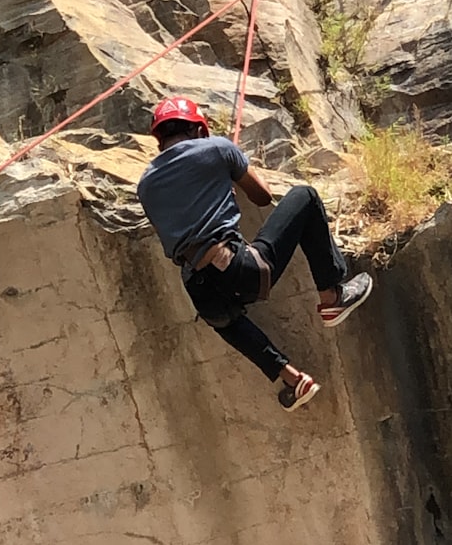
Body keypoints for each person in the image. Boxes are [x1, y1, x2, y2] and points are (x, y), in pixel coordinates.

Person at [137, 96, 372, 411]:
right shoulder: (218, 148)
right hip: (236, 266)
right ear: (197, 130)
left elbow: (178, 224)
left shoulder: (146, 184)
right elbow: (262, 196)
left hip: (197, 284)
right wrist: (229, 177)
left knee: (225, 319)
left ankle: (292, 379)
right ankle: (331, 297)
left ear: (159, 137)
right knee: (306, 196)